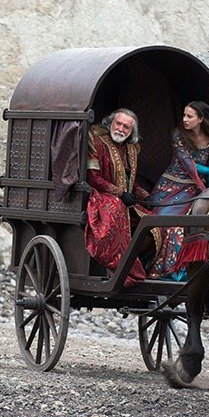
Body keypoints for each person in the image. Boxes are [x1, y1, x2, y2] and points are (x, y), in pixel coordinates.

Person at [146, 100, 209, 280]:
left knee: (198, 225)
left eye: (189, 116)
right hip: (171, 187)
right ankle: (171, 271)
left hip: (195, 189)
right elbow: (188, 165)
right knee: (170, 225)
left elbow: (207, 167)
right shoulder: (177, 135)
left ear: (200, 119)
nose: (185, 119)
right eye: (184, 115)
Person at [84, 108, 150, 286]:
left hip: (126, 199)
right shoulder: (96, 141)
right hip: (102, 196)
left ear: (131, 132)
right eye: (118, 124)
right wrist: (120, 193)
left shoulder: (132, 149)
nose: (120, 129)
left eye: (126, 127)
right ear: (111, 123)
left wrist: (145, 195)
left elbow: (131, 180)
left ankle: (146, 267)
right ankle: (121, 270)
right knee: (116, 209)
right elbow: (93, 177)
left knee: (154, 223)